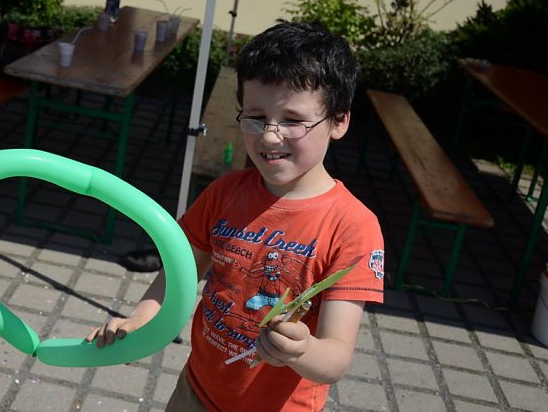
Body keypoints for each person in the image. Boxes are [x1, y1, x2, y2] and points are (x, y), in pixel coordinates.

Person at [87, 22, 385, 411]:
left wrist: (302, 349)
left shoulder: (353, 228)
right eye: (256, 116)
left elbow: (335, 359)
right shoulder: (223, 193)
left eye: (294, 120)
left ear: (339, 121)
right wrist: (139, 322)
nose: (270, 136)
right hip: (194, 392)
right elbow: (176, 277)